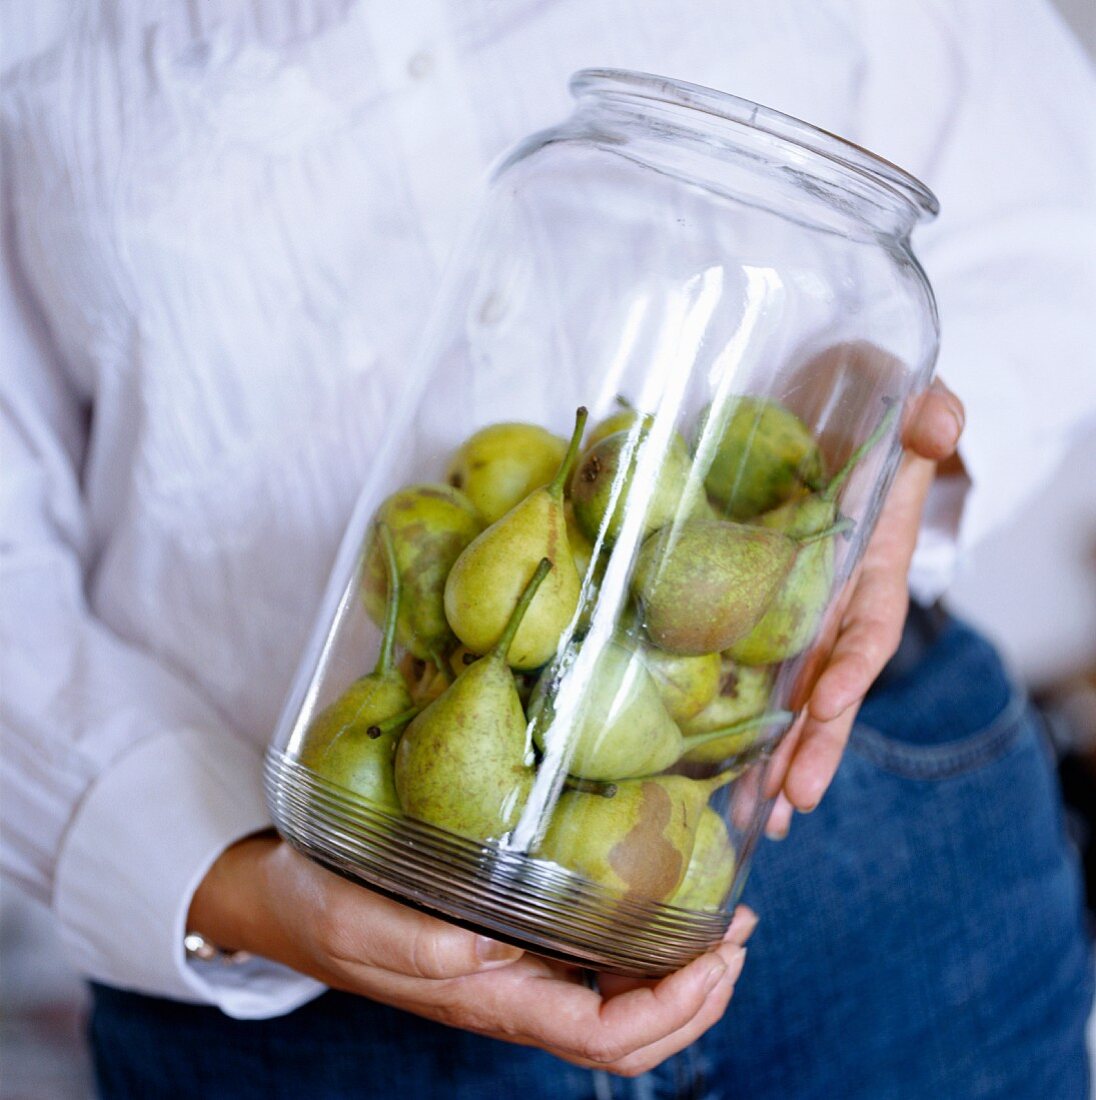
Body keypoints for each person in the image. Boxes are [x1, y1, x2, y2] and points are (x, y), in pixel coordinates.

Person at [2, 1, 1093, 1096]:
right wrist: (233, 888)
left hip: (880, 854)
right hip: (301, 949)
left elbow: (1056, 214)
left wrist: (872, 437)